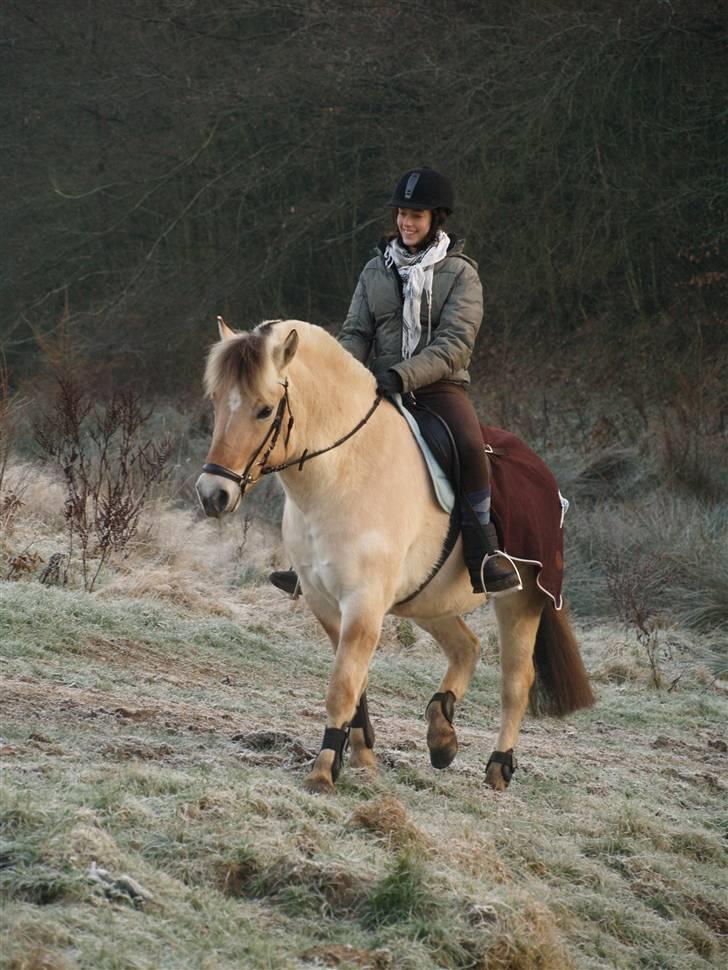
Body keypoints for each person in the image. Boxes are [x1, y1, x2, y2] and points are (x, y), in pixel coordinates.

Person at [271, 166, 520, 597]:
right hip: (376, 385)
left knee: (467, 446)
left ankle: (483, 552)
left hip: (437, 388)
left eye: (417, 215)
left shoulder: (461, 275)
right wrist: (340, 376)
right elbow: (355, 334)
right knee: (316, 447)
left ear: (436, 219)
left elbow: (453, 346)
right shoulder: (374, 271)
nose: (406, 222)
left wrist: (402, 375)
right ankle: (307, 561)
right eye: (402, 213)